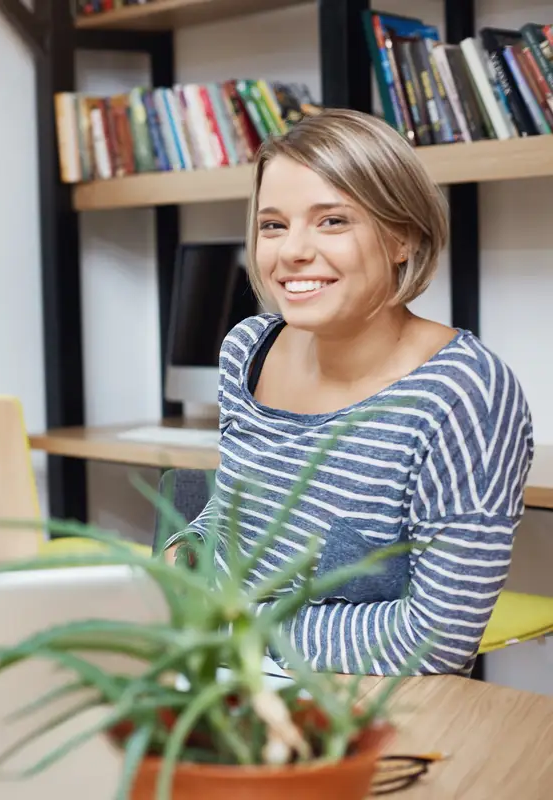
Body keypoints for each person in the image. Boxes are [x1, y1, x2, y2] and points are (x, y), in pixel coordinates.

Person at [161, 108, 534, 677]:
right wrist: (183, 554)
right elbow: (237, 518)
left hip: (363, 702)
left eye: (331, 221)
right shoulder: (247, 350)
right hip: (224, 670)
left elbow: (436, 637)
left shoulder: (464, 392)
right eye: (273, 225)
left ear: (402, 237)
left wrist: (240, 626)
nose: (291, 252)